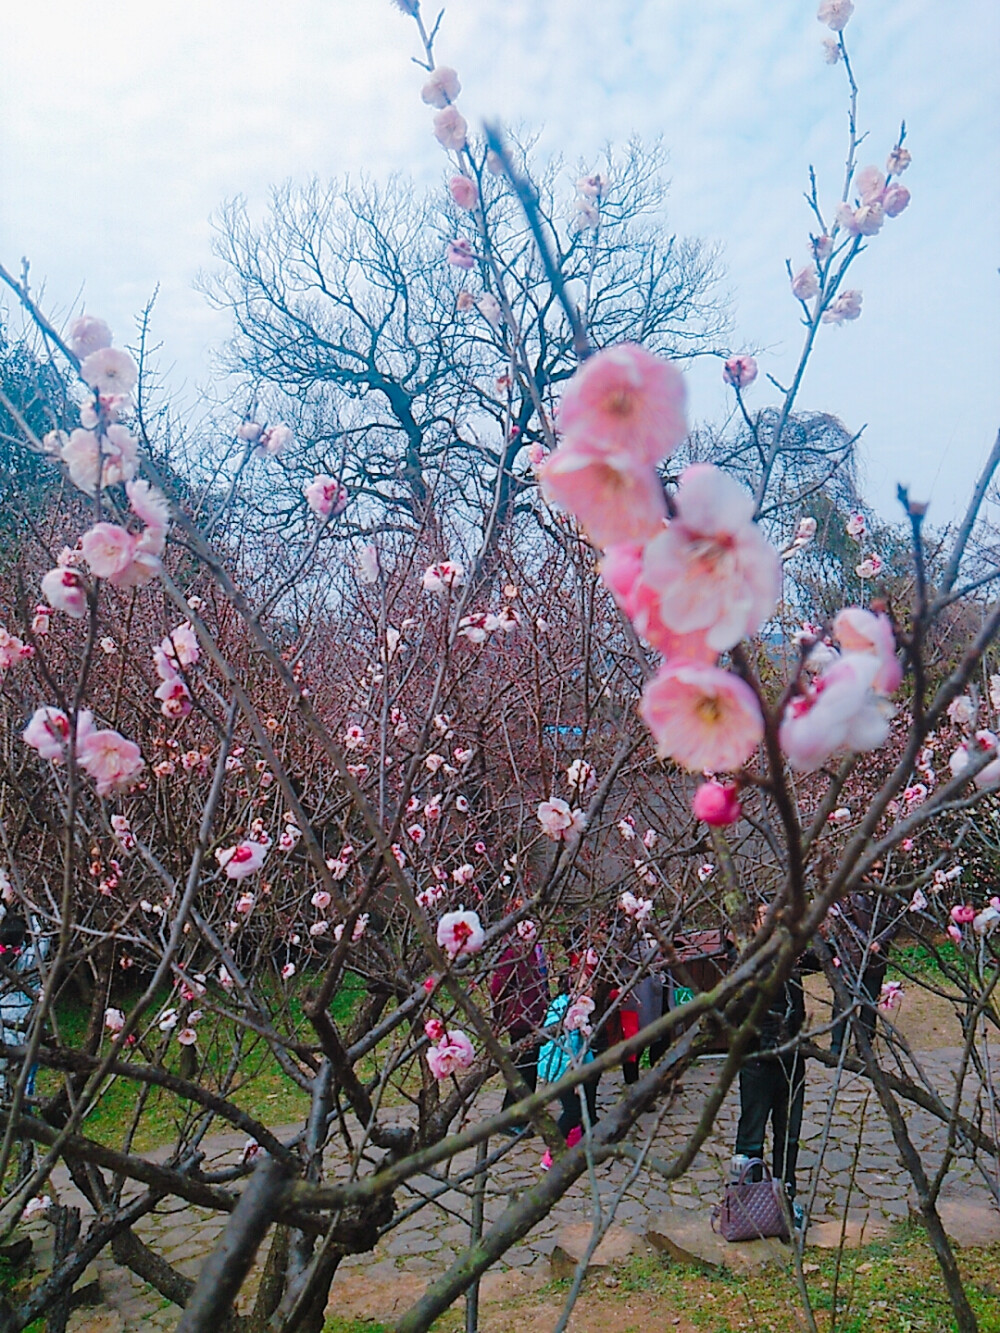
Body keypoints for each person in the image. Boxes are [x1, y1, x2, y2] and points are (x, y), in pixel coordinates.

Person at [732, 909, 818, 1231]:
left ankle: (785, 1197)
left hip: (792, 1062)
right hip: (757, 1062)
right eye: (766, 917)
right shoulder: (748, 961)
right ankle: (748, 1201)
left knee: (789, 1136)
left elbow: (824, 958)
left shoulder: (794, 957)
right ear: (755, 924)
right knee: (751, 1137)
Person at [489, 925, 550, 1131]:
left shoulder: (536, 947)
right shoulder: (513, 950)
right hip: (520, 1018)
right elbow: (498, 986)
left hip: (535, 1015)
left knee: (529, 1066)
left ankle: (524, 1112)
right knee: (523, 1068)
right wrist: (503, 1013)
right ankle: (512, 1118)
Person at [826, 890, 901, 1057]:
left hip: (876, 959)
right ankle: (837, 1047)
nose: (876, 873)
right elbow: (845, 920)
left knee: (869, 1005)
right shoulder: (850, 893)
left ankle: (864, 1046)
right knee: (842, 1003)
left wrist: (880, 942)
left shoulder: (889, 897)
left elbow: (895, 923)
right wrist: (866, 941)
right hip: (851, 956)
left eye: (880, 870)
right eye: (872, 869)